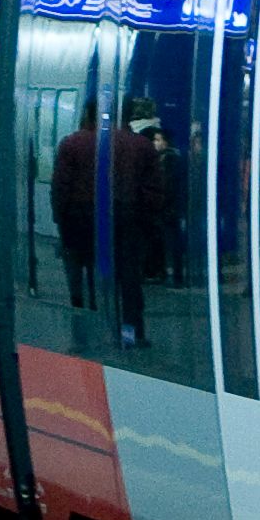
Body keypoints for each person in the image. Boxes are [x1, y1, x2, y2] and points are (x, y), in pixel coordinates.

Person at [110, 97, 165, 348]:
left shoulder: (98, 143)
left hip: (98, 221)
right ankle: (132, 333)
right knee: (131, 280)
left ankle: (105, 327)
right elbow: (155, 190)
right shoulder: (142, 146)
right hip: (133, 223)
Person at [49, 101, 100, 312]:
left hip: (74, 214)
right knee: (96, 261)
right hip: (102, 215)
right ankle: (97, 301)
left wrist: (58, 214)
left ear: (86, 114)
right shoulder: (113, 143)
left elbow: (61, 183)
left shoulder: (71, 143)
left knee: (74, 262)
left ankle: (77, 302)